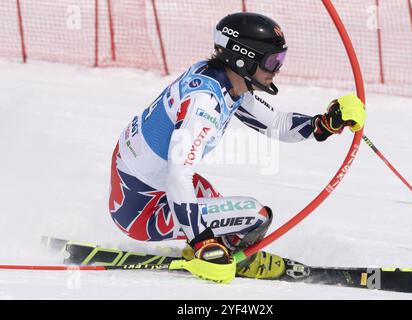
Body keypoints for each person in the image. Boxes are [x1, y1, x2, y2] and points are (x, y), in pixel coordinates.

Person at [108, 12, 366, 280]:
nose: (277, 69)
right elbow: (178, 174)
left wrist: (324, 124)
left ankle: (219, 246)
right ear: (243, 57)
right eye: (272, 61)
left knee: (223, 211)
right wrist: (202, 243)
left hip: (143, 186)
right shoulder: (204, 103)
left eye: (280, 60)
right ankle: (227, 256)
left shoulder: (225, 81)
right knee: (256, 216)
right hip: (141, 211)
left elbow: (276, 123)